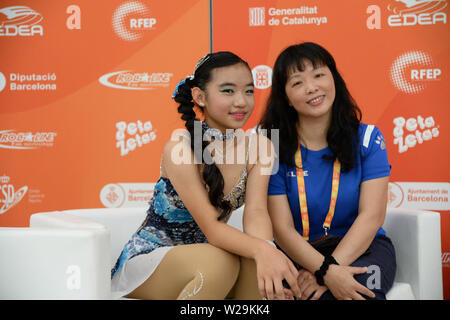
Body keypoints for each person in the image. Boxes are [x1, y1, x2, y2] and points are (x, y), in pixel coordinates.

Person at [111, 51, 301, 300]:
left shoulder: (262, 146)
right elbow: (212, 229)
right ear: (199, 96)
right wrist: (263, 250)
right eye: (228, 91)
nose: (242, 102)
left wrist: (266, 251)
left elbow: (256, 212)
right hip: (153, 258)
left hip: (210, 254)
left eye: (248, 91)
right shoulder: (180, 148)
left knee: (257, 265)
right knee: (220, 262)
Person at [258, 42, 396, 300]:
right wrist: (323, 269)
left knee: (355, 293)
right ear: (285, 97)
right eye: (297, 82)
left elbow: (372, 216)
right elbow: (282, 228)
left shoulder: (367, 139)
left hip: (363, 248)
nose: (312, 88)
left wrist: (328, 270)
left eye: (319, 75)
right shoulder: (272, 147)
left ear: (334, 79)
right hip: (299, 254)